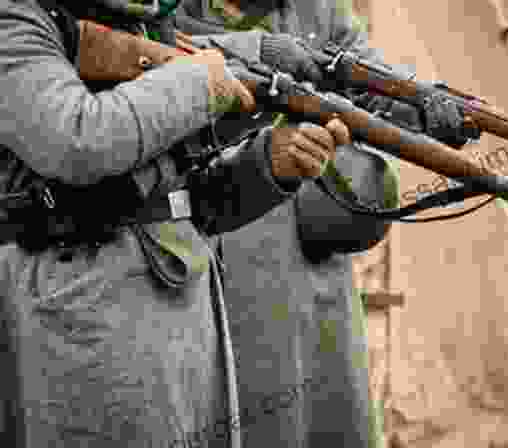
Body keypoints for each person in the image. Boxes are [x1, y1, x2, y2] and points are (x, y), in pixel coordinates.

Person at [0, 0, 349, 446]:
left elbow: (187, 202)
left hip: (182, 322)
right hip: (81, 320)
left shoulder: (136, 25)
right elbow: (78, 140)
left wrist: (269, 165)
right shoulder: (17, 19)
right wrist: (202, 82)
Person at [175, 1, 477, 447]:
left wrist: (427, 105)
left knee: (329, 400)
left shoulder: (316, 9)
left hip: (317, 236)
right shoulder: (174, 10)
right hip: (228, 226)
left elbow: (372, 81)